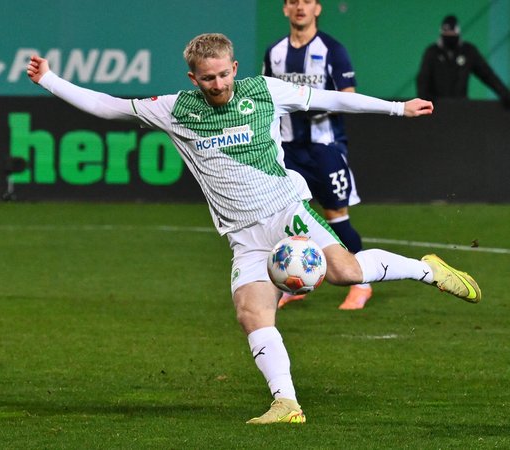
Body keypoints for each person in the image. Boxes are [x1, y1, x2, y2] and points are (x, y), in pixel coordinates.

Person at [27, 33, 480, 424]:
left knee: (346, 273)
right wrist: (49, 79)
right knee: (251, 315)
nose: (219, 84)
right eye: (208, 78)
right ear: (193, 79)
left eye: (224, 74)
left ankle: (427, 270)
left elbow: (332, 99)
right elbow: (108, 107)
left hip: (287, 211)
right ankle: (286, 402)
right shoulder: (174, 109)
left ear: (234, 67)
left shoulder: (262, 90)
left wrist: (398, 108)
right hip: (242, 235)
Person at [263, 0, 371, 310]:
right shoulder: (274, 52)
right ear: (285, 9)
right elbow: (266, 95)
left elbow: (348, 96)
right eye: (293, 2)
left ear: (317, 9)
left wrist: (309, 103)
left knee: (336, 218)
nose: (300, 7)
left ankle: (361, 284)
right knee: (289, 219)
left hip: (325, 149)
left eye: (307, 2)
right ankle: (293, 284)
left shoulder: (332, 49)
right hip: (287, 150)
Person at [417, 15, 510, 107]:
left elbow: (487, 75)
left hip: (460, 109)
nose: (449, 36)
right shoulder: (432, 52)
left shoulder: (468, 51)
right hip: (437, 108)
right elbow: (423, 78)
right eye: (447, 34)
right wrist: (424, 101)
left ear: (458, 33)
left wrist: (504, 93)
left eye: (452, 33)